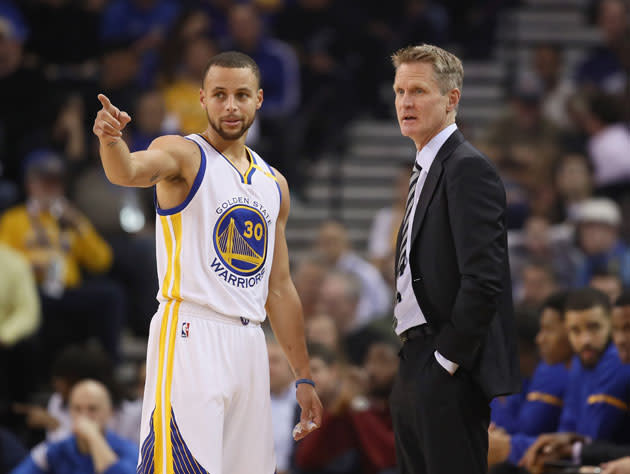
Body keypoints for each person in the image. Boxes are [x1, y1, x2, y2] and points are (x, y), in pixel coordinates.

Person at [92, 51, 322, 474]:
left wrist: (302, 376)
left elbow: (280, 288)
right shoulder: (182, 153)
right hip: (190, 331)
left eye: (240, 95)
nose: (230, 105)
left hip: (251, 342)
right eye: (219, 94)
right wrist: (111, 142)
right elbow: (129, 171)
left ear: (259, 100)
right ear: (202, 99)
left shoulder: (275, 184)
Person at [388, 44, 520, 474]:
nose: (405, 102)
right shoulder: (426, 168)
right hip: (415, 358)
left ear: (452, 99)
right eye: (399, 91)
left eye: (418, 91)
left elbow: (484, 279)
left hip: (444, 365)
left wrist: (446, 360)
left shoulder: (466, 168)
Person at [10, 379, 138, 474]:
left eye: (92, 409)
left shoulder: (128, 450)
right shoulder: (55, 449)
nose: (84, 416)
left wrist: (94, 438)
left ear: (110, 412)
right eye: (77, 409)